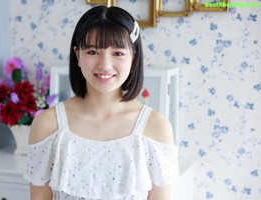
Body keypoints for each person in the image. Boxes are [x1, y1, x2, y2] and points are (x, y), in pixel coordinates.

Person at [24, 5, 179, 200]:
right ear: (77, 55)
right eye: (92, 52)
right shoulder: (48, 125)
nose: (105, 65)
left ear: (134, 57)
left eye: (118, 53)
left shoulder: (156, 127)